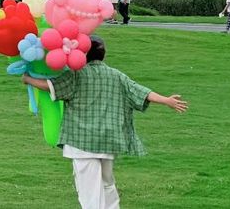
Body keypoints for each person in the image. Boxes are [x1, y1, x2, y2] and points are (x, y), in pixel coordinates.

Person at [22, 36, 188, 209]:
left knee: (89, 190)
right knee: (107, 184)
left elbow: (51, 86)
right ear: (103, 54)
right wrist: (166, 100)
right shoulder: (117, 76)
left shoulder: (77, 75)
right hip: (108, 141)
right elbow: (142, 92)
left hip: (82, 142)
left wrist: (28, 80)